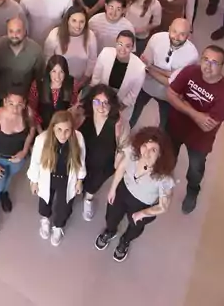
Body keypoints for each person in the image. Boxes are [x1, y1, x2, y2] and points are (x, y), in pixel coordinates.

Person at [167, 45, 224, 214]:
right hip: (175, 126)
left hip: (199, 139)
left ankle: (192, 191)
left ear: (221, 66)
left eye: (214, 62)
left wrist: (184, 103)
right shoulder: (190, 72)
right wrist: (195, 114)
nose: (208, 66)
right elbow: (171, 94)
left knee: (195, 169)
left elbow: (208, 124)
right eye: (205, 59)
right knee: (167, 158)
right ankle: (162, 186)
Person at [93, 126, 176, 262]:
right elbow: (121, 168)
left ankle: (125, 241)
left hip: (143, 204)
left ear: (160, 154)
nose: (146, 153)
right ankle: (110, 231)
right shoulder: (133, 153)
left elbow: (163, 206)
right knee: (111, 216)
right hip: (124, 190)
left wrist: (143, 213)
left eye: (153, 150)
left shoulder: (164, 178)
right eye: (144, 146)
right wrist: (113, 188)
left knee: (135, 226)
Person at [28, 110, 87, 246]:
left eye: (67, 130)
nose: (63, 134)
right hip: (47, 178)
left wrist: (79, 180)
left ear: (72, 129)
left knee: (64, 205)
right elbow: (35, 162)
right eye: (59, 129)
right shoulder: (42, 140)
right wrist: (34, 181)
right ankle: (45, 219)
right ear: (53, 127)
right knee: (44, 200)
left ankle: (58, 226)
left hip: (66, 179)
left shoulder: (78, 138)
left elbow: (81, 160)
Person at [0, 87, 34, 233]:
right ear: (5, 102)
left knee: (9, 177)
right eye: (11, 103)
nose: (15, 108)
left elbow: (31, 131)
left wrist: (24, 151)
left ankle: (4, 193)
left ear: (24, 104)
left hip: (17, 160)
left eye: (19, 104)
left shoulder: (27, 114)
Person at [130, 18, 199, 129]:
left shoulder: (192, 55)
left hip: (169, 96)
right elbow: (144, 64)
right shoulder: (156, 39)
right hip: (146, 86)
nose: (176, 37)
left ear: (188, 36)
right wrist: (168, 74)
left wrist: (151, 68)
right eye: (174, 31)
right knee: (131, 115)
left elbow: (175, 82)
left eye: (182, 34)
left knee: (165, 127)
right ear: (169, 29)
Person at [77, 83, 128, 223]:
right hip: (81, 160)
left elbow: (125, 147)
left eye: (106, 103)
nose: (101, 107)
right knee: (78, 181)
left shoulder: (119, 123)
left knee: (93, 186)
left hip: (104, 165)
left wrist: (120, 158)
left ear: (112, 105)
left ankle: (88, 199)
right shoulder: (81, 115)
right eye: (97, 102)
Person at [90, 32, 146, 120]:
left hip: (120, 103)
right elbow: (96, 77)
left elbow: (132, 95)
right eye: (120, 44)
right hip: (101, 95)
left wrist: (116, 109)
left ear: (132, 47)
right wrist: (96, 100)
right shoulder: (105, 53)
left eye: (127, 46)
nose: (123, 49)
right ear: (116, 43)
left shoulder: (140, 68)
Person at [42, 6, 98, 79]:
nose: (78, 26)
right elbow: (48, 59)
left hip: (81, 80)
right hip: (58, 79)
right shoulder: (55, 34)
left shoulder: (90, 35)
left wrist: (84, 80)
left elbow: (92, 60)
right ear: (67, 20)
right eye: (74, 21)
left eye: (81, 22)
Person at [0, 16, 42, 97]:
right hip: (1, 99)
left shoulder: (36, 51)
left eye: (18, 31)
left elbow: (39, 79)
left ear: (25, 32)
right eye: (11, 31)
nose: (14, 35)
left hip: (25, 100)